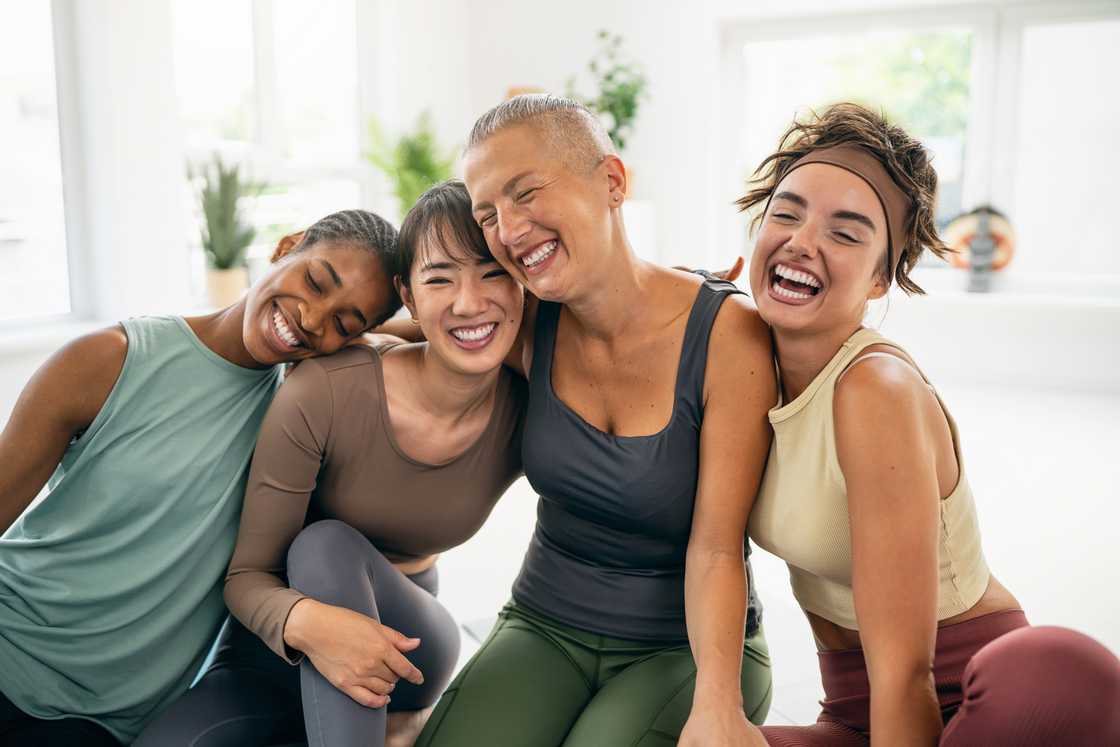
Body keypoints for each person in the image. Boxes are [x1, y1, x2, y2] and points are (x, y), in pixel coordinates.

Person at [739, 102, 1120, 745]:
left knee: (1058, 671)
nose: (803, 241)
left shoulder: (875, 390)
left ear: (882, 277)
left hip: (960, 694)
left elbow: (905, 675)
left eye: (846, 231)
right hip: (856, 711)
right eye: (787, 212)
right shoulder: (736, 358)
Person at [415, 94, 775, 747]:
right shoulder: (523, 322)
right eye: (488, 213)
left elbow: (719, 546)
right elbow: (420, 314)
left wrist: (718, 703)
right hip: (544, 621)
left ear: (612, 182)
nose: (509, 227)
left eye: (525, 192)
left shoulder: (728, 336)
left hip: (688, 647)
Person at [134, 180, 528, 747]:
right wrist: (314, 627)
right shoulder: (327, 389)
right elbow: (247, 579)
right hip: (275, 644)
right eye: (439, 277)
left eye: (493, 273)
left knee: (324, 544)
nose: (468, 299)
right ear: (409, 296)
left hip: (406, 648)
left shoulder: (527, 404)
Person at [0, 209, 401, 745]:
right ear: (286, 246)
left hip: (98, 722)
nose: (311, 317)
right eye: (313, 281)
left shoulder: (302, 418)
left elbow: (441, 326)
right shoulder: (109, 359)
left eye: (345, 324)